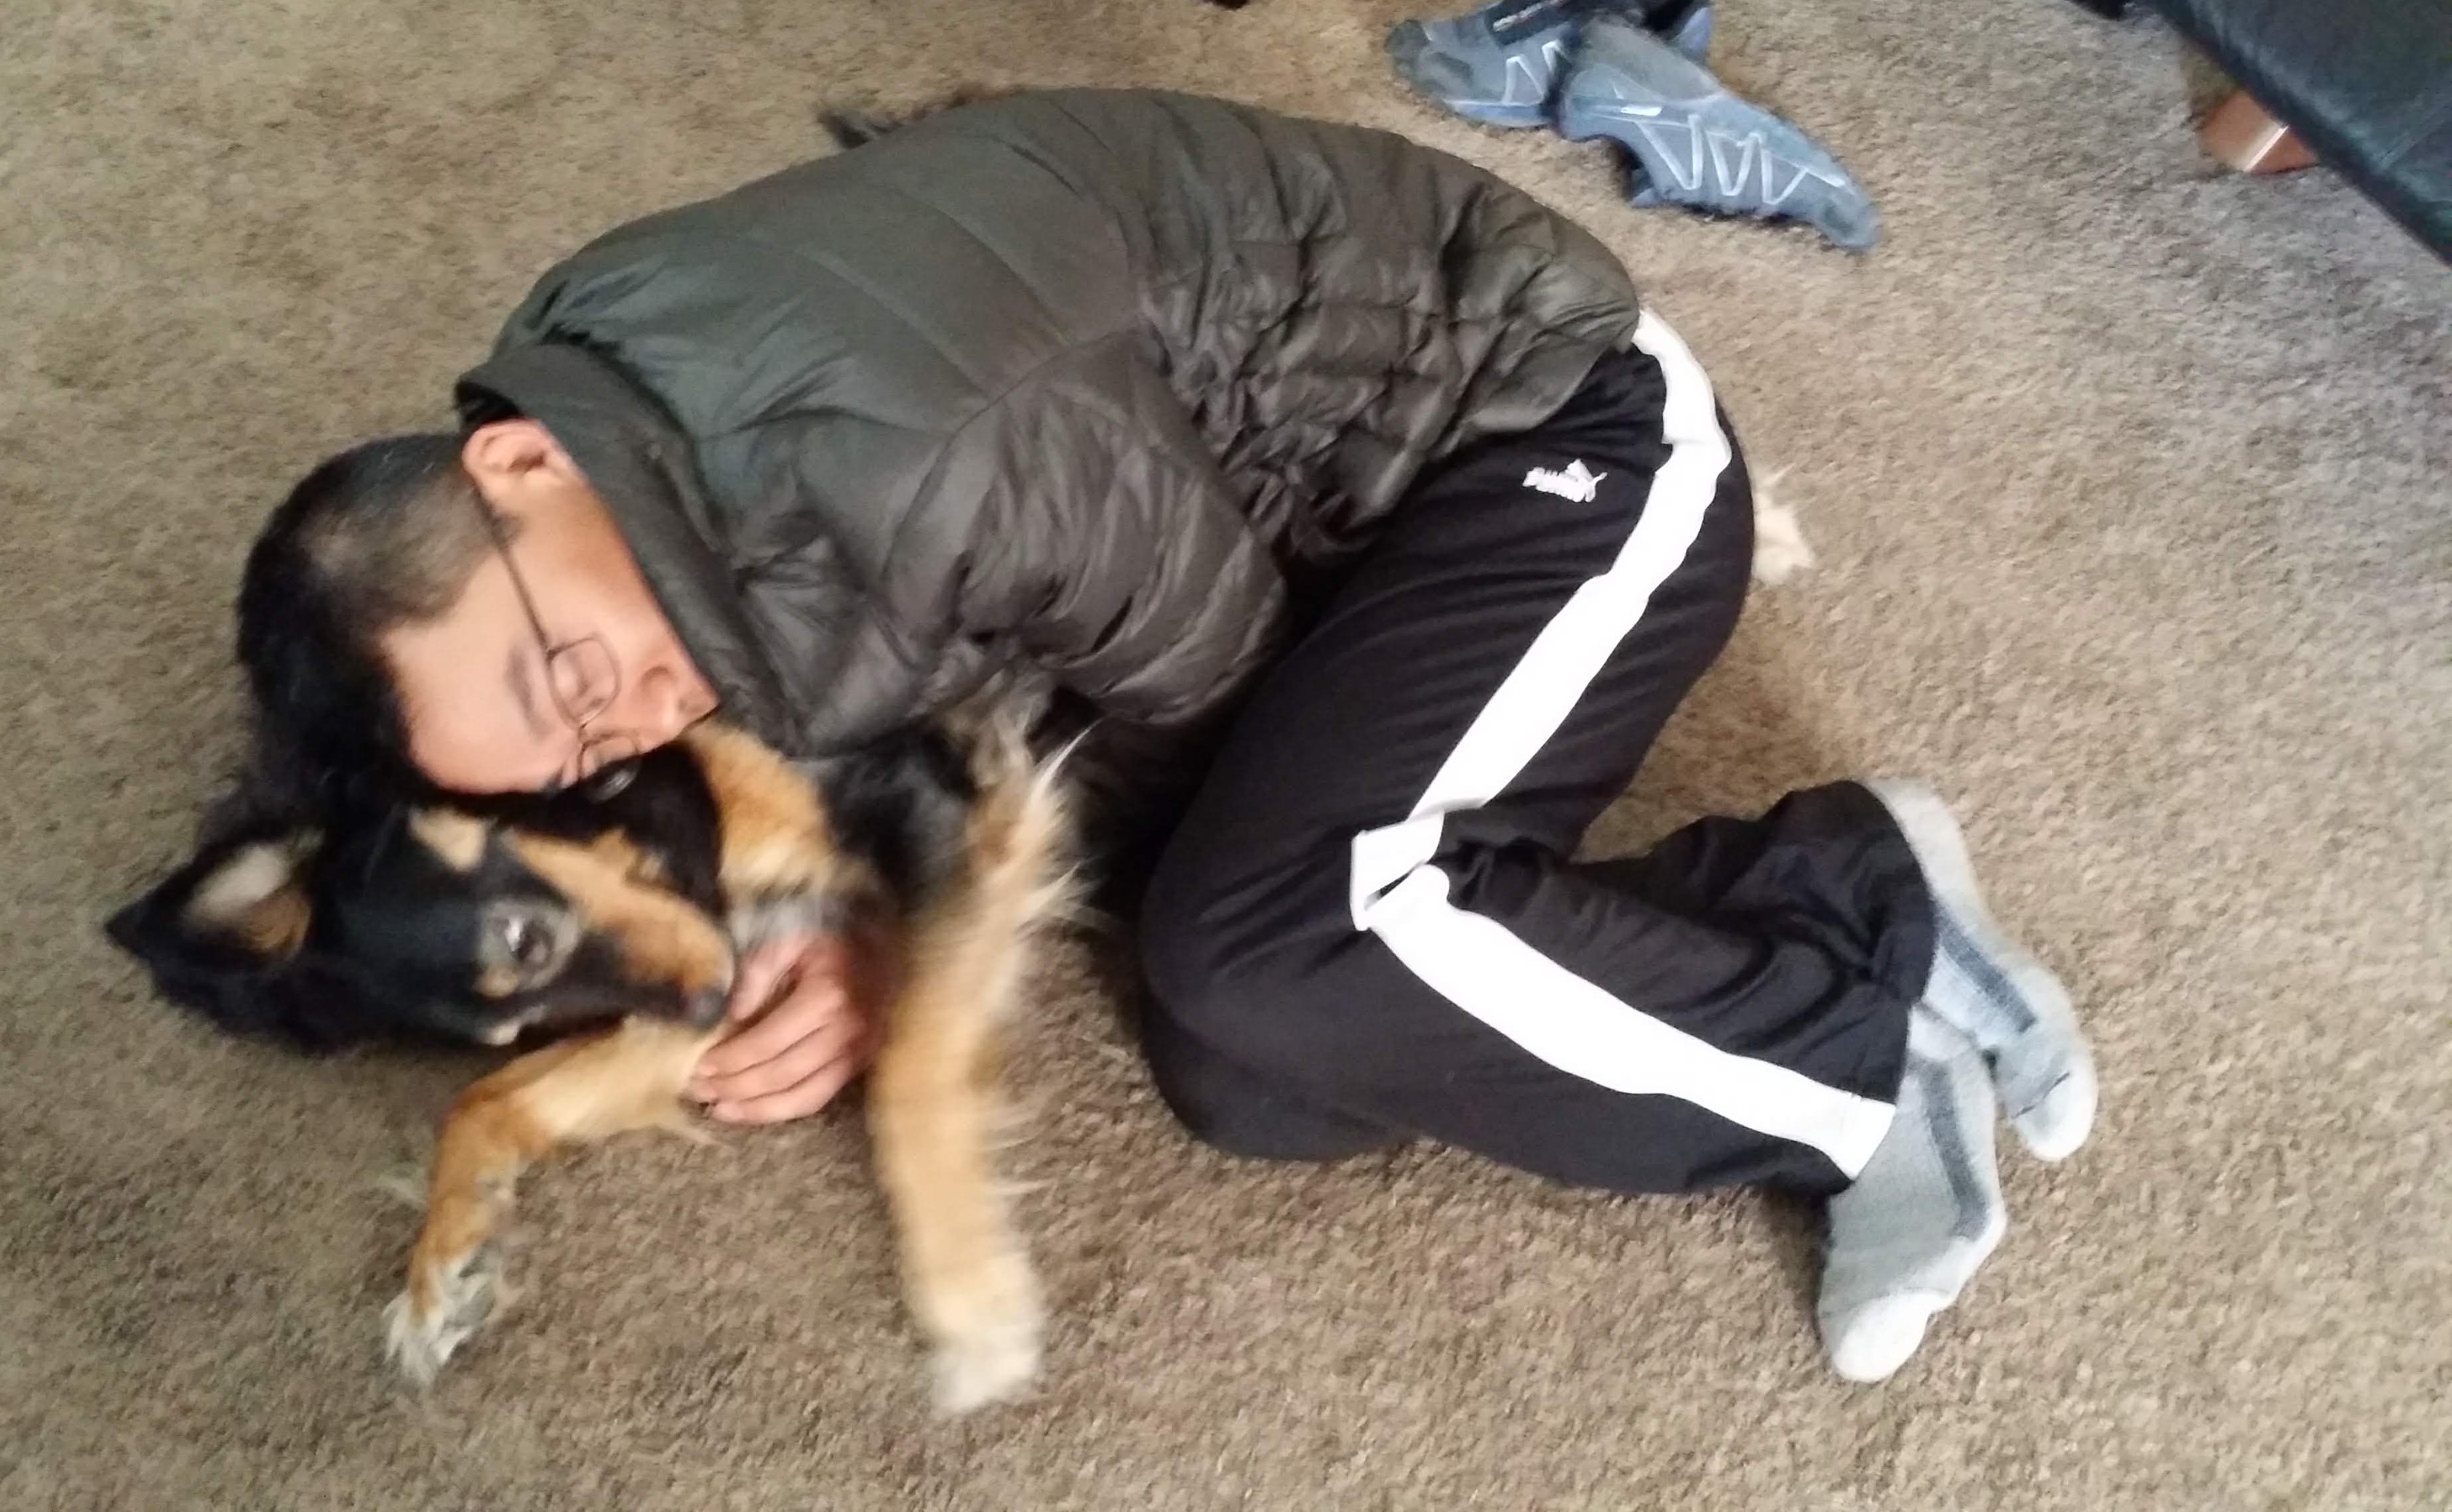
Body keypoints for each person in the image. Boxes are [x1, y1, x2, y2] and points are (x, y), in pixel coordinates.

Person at [225, 88, 2095, 1382]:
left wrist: (952, 934)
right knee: (1255, 1073)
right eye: (561, 756)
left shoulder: (908, 452)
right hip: (1320, 514)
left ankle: (1859, 1061)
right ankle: (1838, 878)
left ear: (514, 463)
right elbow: (936, 689)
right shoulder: (601, 414)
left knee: (1262, 952)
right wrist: (887, 929)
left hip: (1562, 447)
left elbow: (1202, 678)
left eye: (566, 676)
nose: (626, 724)